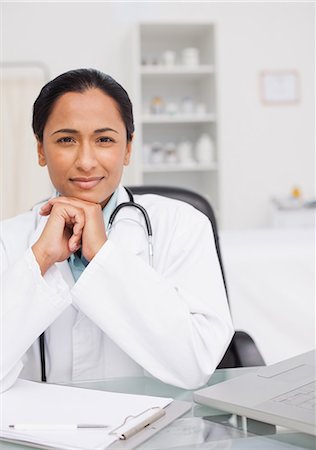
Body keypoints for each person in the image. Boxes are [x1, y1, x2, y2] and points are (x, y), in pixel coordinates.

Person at [0, 68, 233, 393]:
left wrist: (104, 256)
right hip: (42, 437)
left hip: (155, 433)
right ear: (41, 149)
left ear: (127, 148)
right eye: (66, 139)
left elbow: (195, 364)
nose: (85, 161)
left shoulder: (182, 224)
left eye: (104, 139)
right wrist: (38, 260)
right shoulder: (9, 240)